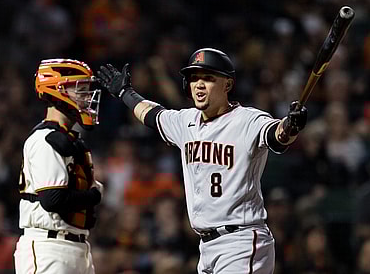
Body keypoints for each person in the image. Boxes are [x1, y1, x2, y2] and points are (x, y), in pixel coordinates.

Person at [97, 48, 307, 274]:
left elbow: (277, 136)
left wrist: (290, 126)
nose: (198, 84)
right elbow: (151, 115)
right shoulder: (186, 121)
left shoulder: (248, 120)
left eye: (208, 78)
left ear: (227, 84)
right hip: (206, 246)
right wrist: (125, 93)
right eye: (194, 78)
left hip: (241, 242)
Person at [14, 59, 104, 274]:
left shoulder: (68, 139)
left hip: (75, 246)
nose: (87, 97)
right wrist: (94, 195)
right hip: (48, 247)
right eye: (80, 90)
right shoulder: (45, 139)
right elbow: (52, 199)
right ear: (59, 90)